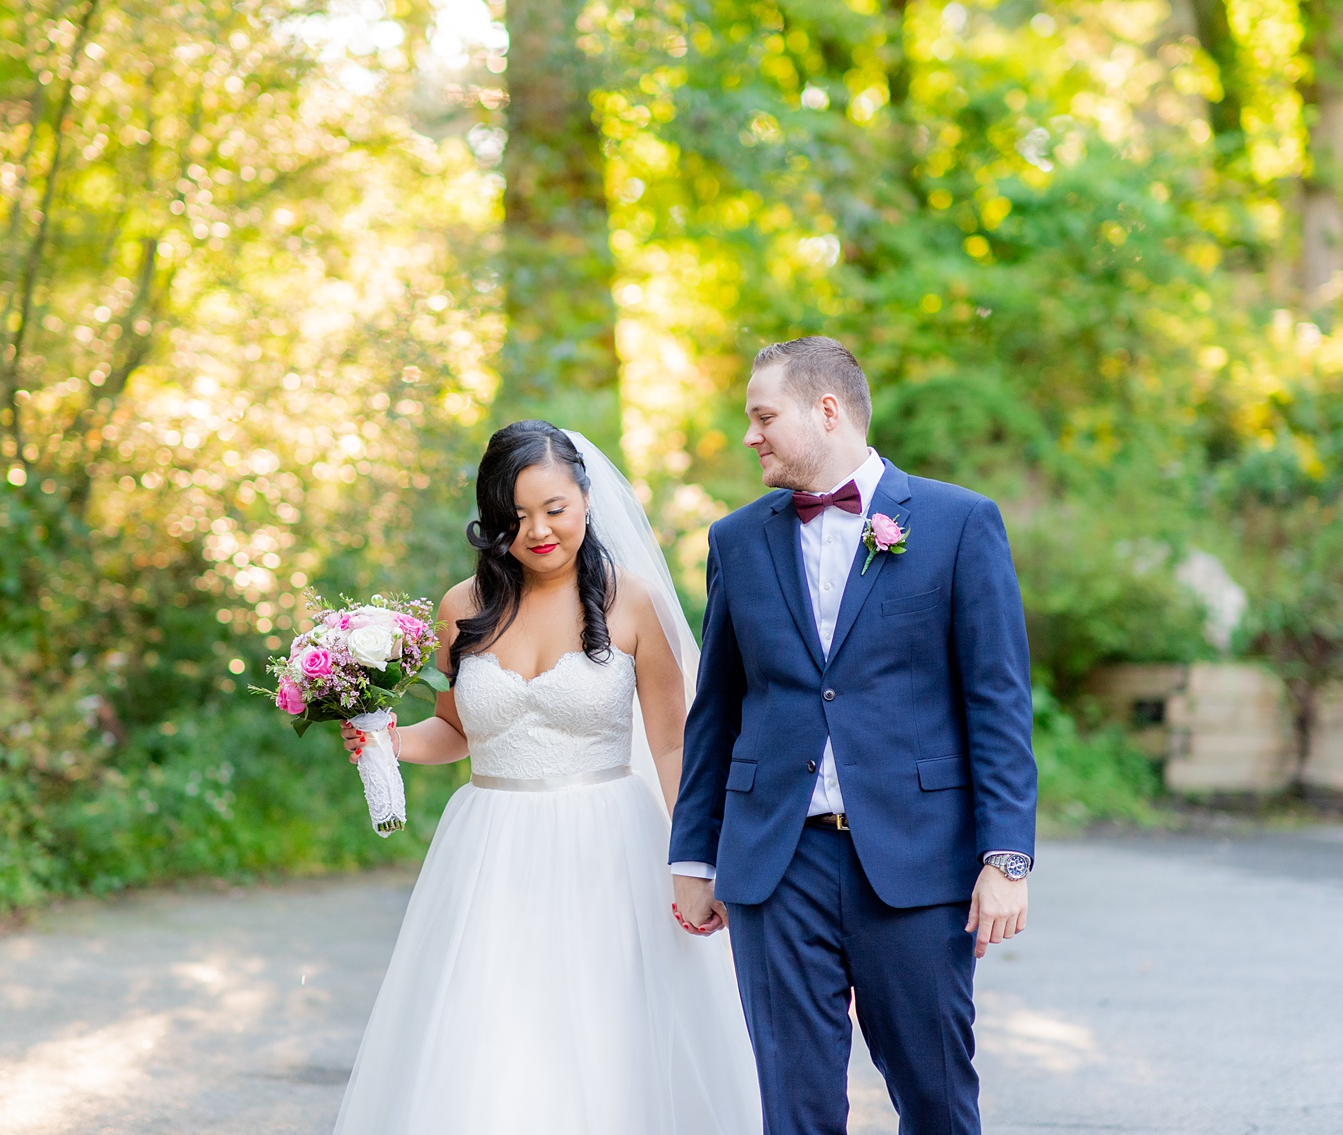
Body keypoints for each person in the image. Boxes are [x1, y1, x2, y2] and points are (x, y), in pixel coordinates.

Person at [332, 420, 761, 1135]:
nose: (536, 531)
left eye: (553, 509)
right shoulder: (460, 607)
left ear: (587, 498)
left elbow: (672, 747)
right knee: (489, 1039)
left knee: (603, 1038)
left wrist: (696, 856)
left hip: (610, 846)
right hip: (490, 850)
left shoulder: (634, 602)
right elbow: (459, 731)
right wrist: (389, 742)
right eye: (515, 516)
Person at [670, 336, 1038, 1135]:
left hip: (916, 861)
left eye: (763, 416)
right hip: (775, 864)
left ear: (826, 409)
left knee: (936, 1099)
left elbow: (999, 701)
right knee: (795, 1109)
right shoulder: (736, 540)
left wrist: (1006, 856)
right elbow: (718, 708)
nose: (749, 435)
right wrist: (694, 853)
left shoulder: (958, 523)